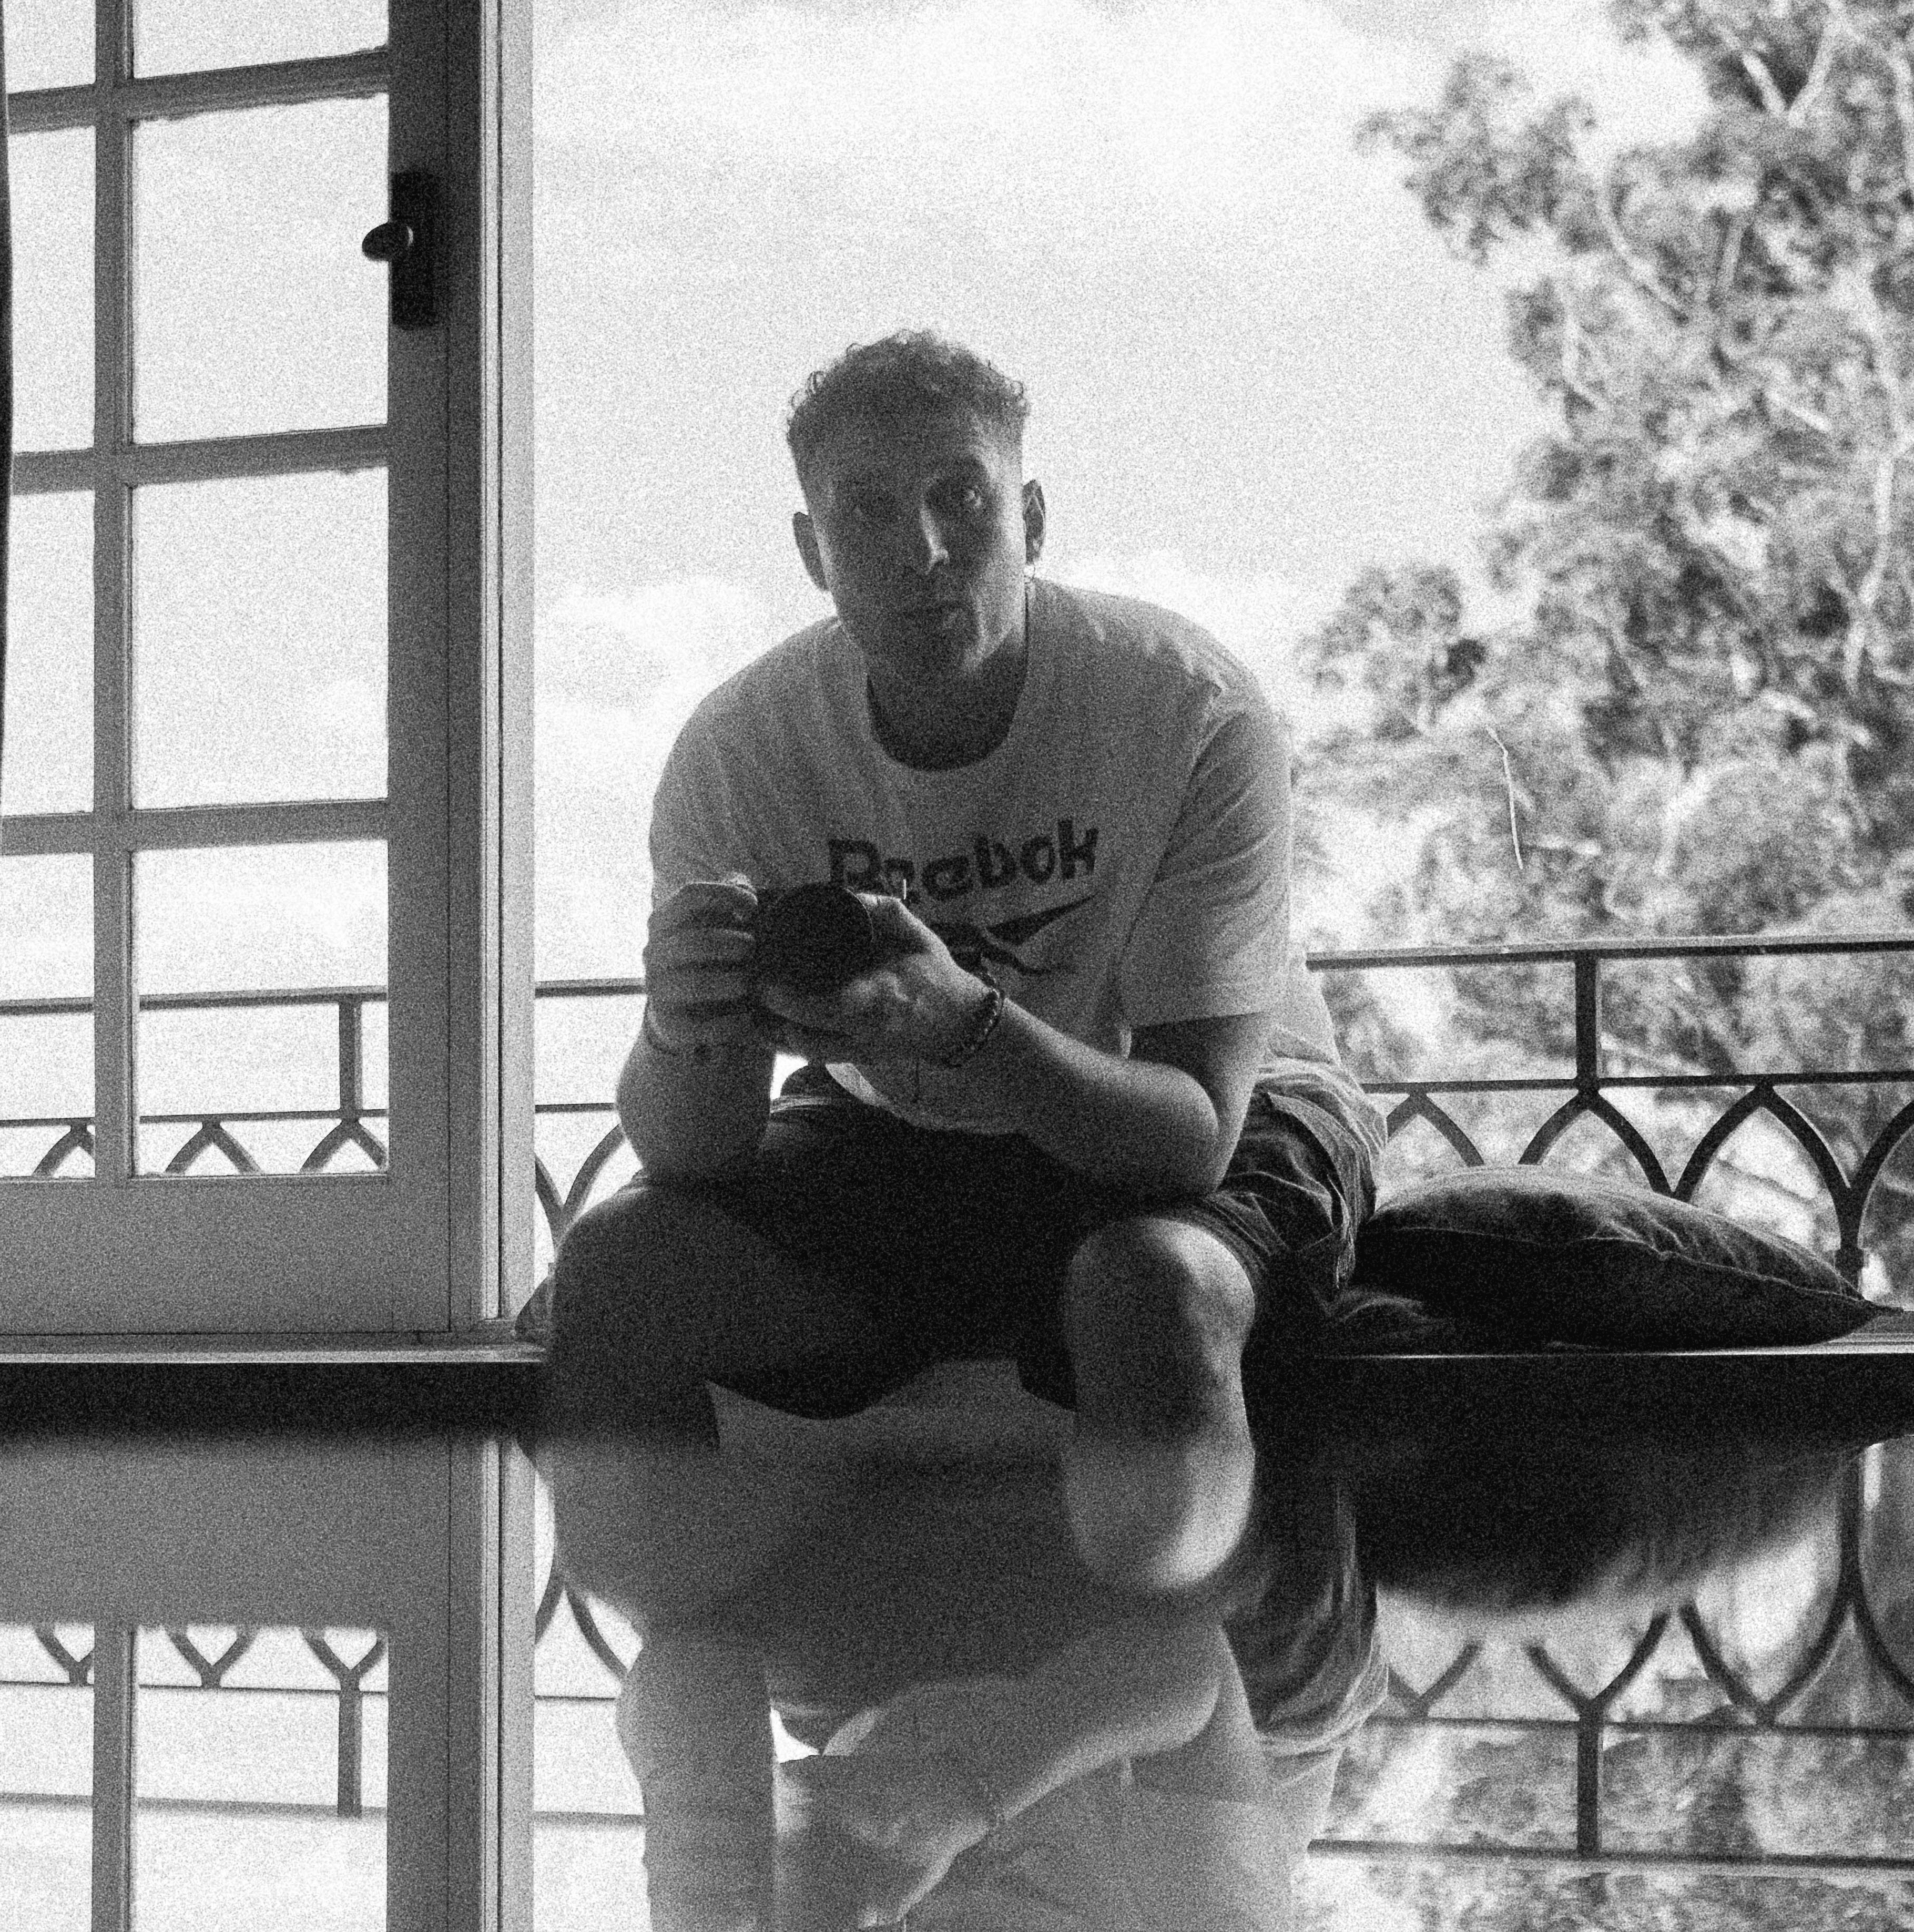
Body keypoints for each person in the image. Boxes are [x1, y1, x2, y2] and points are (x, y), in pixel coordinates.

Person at [539, 329, 1387, 1596]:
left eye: (961, 500)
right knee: (617, 1272)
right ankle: (691, 1734)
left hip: (1211, 1098)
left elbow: (1189, 1137)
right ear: (811, 549)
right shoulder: (739, 752)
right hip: (908, 1121)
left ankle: (1157, 1684)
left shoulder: (1184, 709)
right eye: (868, 511)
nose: (921, 551)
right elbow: (695, 1153)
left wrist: (959, 1022)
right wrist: (684, 1026)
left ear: (1030, 518)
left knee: (1145, 1288)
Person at [545, 1354, 1384, 1932]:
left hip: (903, 1683)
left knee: (624, 1541)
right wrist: (967, 1787)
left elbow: (688, 1664)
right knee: (1264, 1563)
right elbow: (1186, 1666)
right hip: (1211, 1709)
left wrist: (708, 1828)